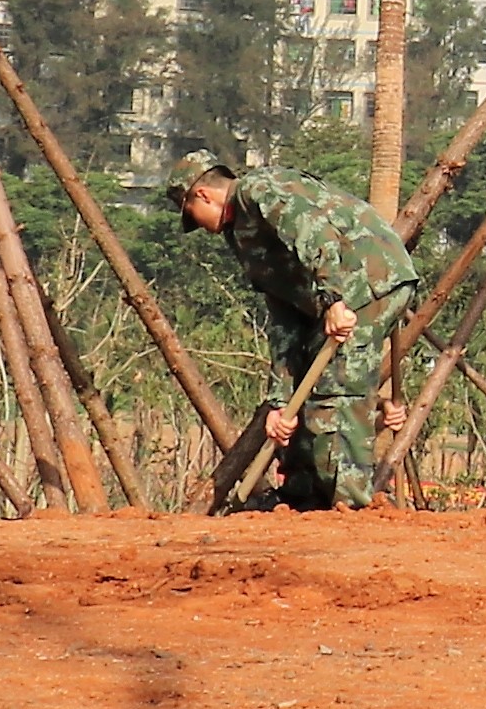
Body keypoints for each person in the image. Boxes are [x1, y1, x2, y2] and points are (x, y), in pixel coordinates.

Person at [171, 149, 412, 510]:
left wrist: (334, 299)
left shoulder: (261, 189)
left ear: (202, 195)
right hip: (332, 300)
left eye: (193, 215)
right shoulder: (242, 237)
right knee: (305, 391)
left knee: (337, 389)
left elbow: (316, 235)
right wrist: (280, 400)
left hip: (367, 283)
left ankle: (350, 503)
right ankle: (303, 497)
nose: (200, 228)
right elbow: (282, 315)